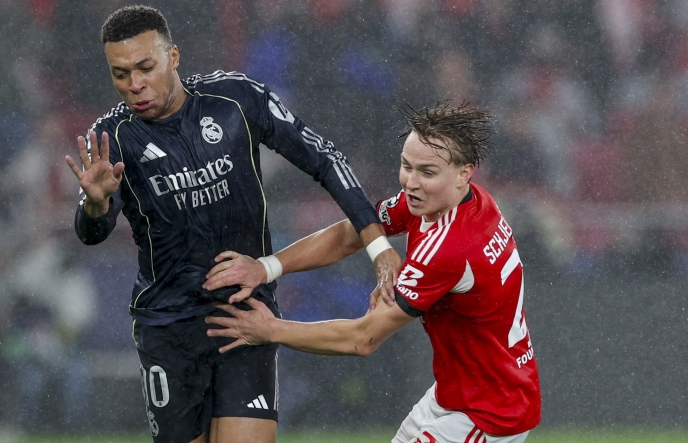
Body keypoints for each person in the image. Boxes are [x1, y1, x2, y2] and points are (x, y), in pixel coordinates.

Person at [63, 5, 400, 443]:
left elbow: (326, 160)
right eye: (120, 74)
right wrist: (95, 203)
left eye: (145, 67)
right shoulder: (113, 136)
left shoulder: (236, 99)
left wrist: (379, 247)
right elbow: (93, 232)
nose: (135, 85)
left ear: (174, 57)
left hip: (244, 311)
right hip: (167, 325)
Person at [205, 102, 542, 443]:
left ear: (463, 173)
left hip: (489, 413)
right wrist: (266, 268)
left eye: (427, 172)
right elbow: (351, 235)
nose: (411, 182)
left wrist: (271, 329)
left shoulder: (450, 248)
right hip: (457, 395)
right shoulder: (461, 201)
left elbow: (362, 338)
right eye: (406, 166)